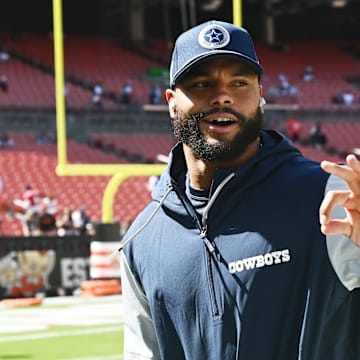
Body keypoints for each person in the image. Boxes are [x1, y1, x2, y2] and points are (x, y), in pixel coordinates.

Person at [117, 20, 360, 359]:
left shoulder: (329, 197)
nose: (223, 95)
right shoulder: (142, 239)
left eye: (240, 82)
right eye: (202, 83)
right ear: (172, 100)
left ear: (260, 95)